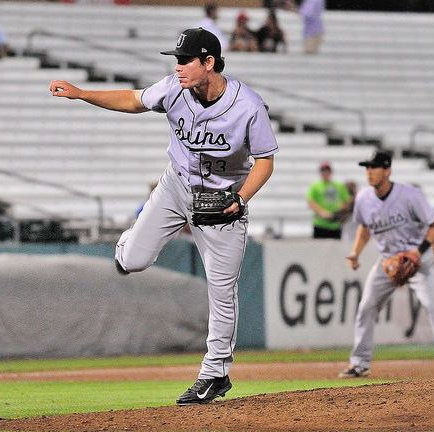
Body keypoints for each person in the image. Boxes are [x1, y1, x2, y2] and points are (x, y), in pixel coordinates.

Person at [50, 27, 278, 405]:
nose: (178, 67)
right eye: (176, 60)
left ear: (209, 62)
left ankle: (215, 372)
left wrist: (240, 198)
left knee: (223, 290)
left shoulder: (247, 105)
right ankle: (128, 246)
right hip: (176, 187)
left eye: (186, 60)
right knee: (132, 259)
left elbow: (265, 162)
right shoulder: (174, 88)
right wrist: (81, 93)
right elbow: (133, 99)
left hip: (223, 200)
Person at [341, 150, 434, 378]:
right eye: (367, 167)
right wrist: (355, 253)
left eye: (374, 167)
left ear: (387, 170)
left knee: (433, 306)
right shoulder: (363, 198)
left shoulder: (410, 195)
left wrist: (418, 252)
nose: (369, 171)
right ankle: (359, 362)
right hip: (388, 261)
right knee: (366, 306)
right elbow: (364, 228)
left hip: (418, 259)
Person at [307, 161, 351, 239]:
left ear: (331, 172)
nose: (325, 173)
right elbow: (310, 201)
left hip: (335, 224)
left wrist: (340, 210)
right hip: (320, 224)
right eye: (323, 171)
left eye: (327, 171)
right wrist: (322, 213)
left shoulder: (338, 185)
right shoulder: (315, 186)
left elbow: (347, 200)